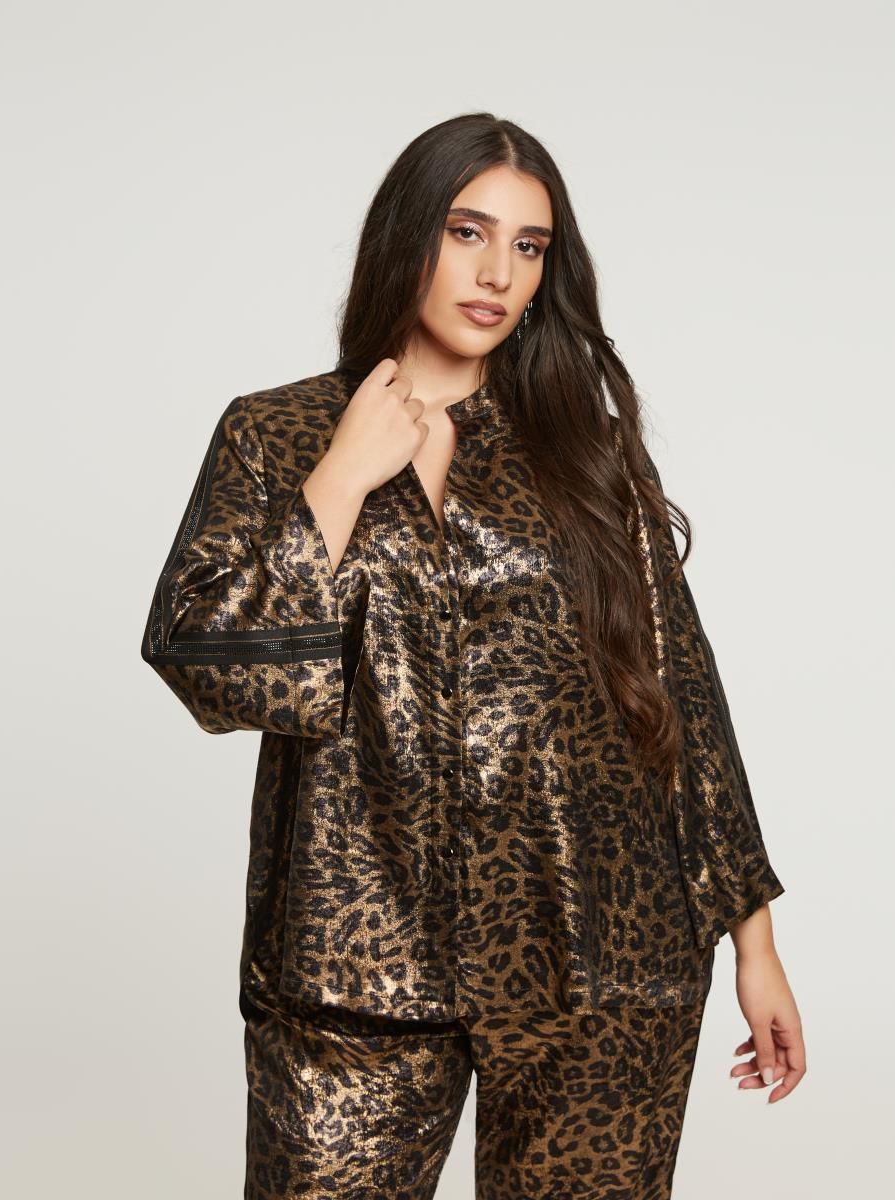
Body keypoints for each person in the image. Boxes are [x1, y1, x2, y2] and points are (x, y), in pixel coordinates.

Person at [140, 112, 805, 1200]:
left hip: (597, 955)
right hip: (353, 965)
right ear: (408, 236)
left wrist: (755, 944)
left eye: (528, 246)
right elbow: (212, 664)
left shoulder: (585, 452)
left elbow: (678, 697)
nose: (497, 273)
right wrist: (341, 476)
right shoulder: (276, 433)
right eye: (466, 232)